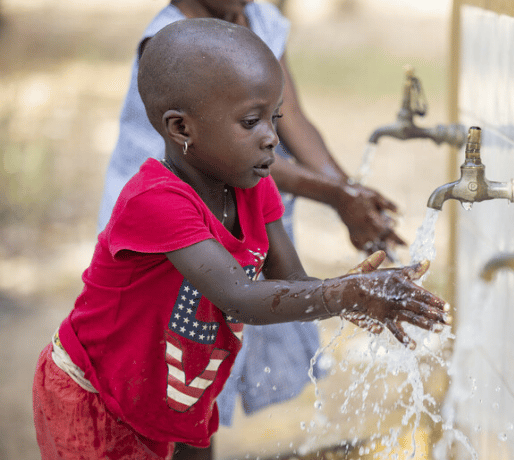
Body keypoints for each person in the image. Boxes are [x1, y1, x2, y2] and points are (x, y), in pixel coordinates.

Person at [32, 18, 448, 460]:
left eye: (274, 118)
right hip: (95, 401)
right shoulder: (156, 201)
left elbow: (292, 283)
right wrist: (347, 293)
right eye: (251, 121)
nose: (271, 137)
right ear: (181, 129)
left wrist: (354, 296)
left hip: (168, 396)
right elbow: (240, 298)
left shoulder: (254, 188)